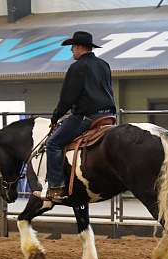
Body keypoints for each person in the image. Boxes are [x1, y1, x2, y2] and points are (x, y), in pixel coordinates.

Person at [45, 31, 116, 201]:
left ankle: (56, 187)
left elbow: (68, 98)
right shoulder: (104, 65)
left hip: (86, 116)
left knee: (53, 143)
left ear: (79, 47)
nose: (71, 51)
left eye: (72, 47)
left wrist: (55, 117)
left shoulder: (77, 67)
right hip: (108, 116)